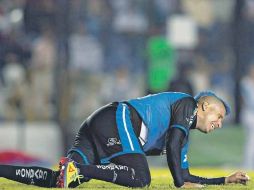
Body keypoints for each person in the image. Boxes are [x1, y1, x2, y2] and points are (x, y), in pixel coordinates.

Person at [0, 91, 250, 188]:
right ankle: (77, 169)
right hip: (116, 119)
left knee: (61, 181)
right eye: (219, 116)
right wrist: (179, 182)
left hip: (101, 124)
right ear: (204, 106)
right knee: (141, 178)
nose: (220, 123)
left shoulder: (181, 135)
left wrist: (223, 180)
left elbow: (183, 176)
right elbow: (177, 172)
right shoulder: (188, 105)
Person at [240, 64, 254, 170]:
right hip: (249, 114)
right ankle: (248, 165)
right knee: (251, 141)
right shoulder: (245, 82)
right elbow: (249, 101)